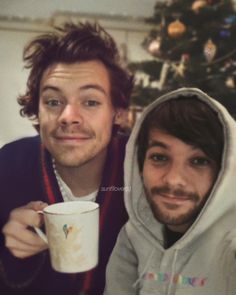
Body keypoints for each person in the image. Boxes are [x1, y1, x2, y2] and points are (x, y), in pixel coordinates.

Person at [0, 22, 134, 295]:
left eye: (91, 101)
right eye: (52, 101)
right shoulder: (8, 166)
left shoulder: (142, 170)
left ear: (118, 112)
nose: (68, 116)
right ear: (36, 108)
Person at [104, 87, 236, 295]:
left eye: (199, 161)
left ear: (223, 172)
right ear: (140, 164)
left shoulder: (230, 245)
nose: (174, 180)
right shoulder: (133, 236)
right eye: (159, 157)